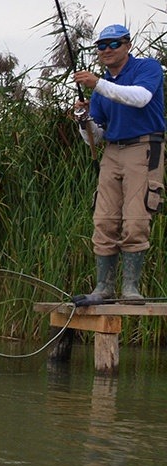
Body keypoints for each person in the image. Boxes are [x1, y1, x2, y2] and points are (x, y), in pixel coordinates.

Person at [73, 23, 166, 304]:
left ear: (128, 45)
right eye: (102, 46)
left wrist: (97, 84)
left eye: (114, 44)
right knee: (104, 220)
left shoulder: (147, 68)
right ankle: (104, 287)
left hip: (145, 146)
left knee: (136, 218)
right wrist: (83, 121)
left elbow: (141, 98)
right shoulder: (101, 87)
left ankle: (130, 289)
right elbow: (96, 138)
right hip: (112, 151)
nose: (107, 50)